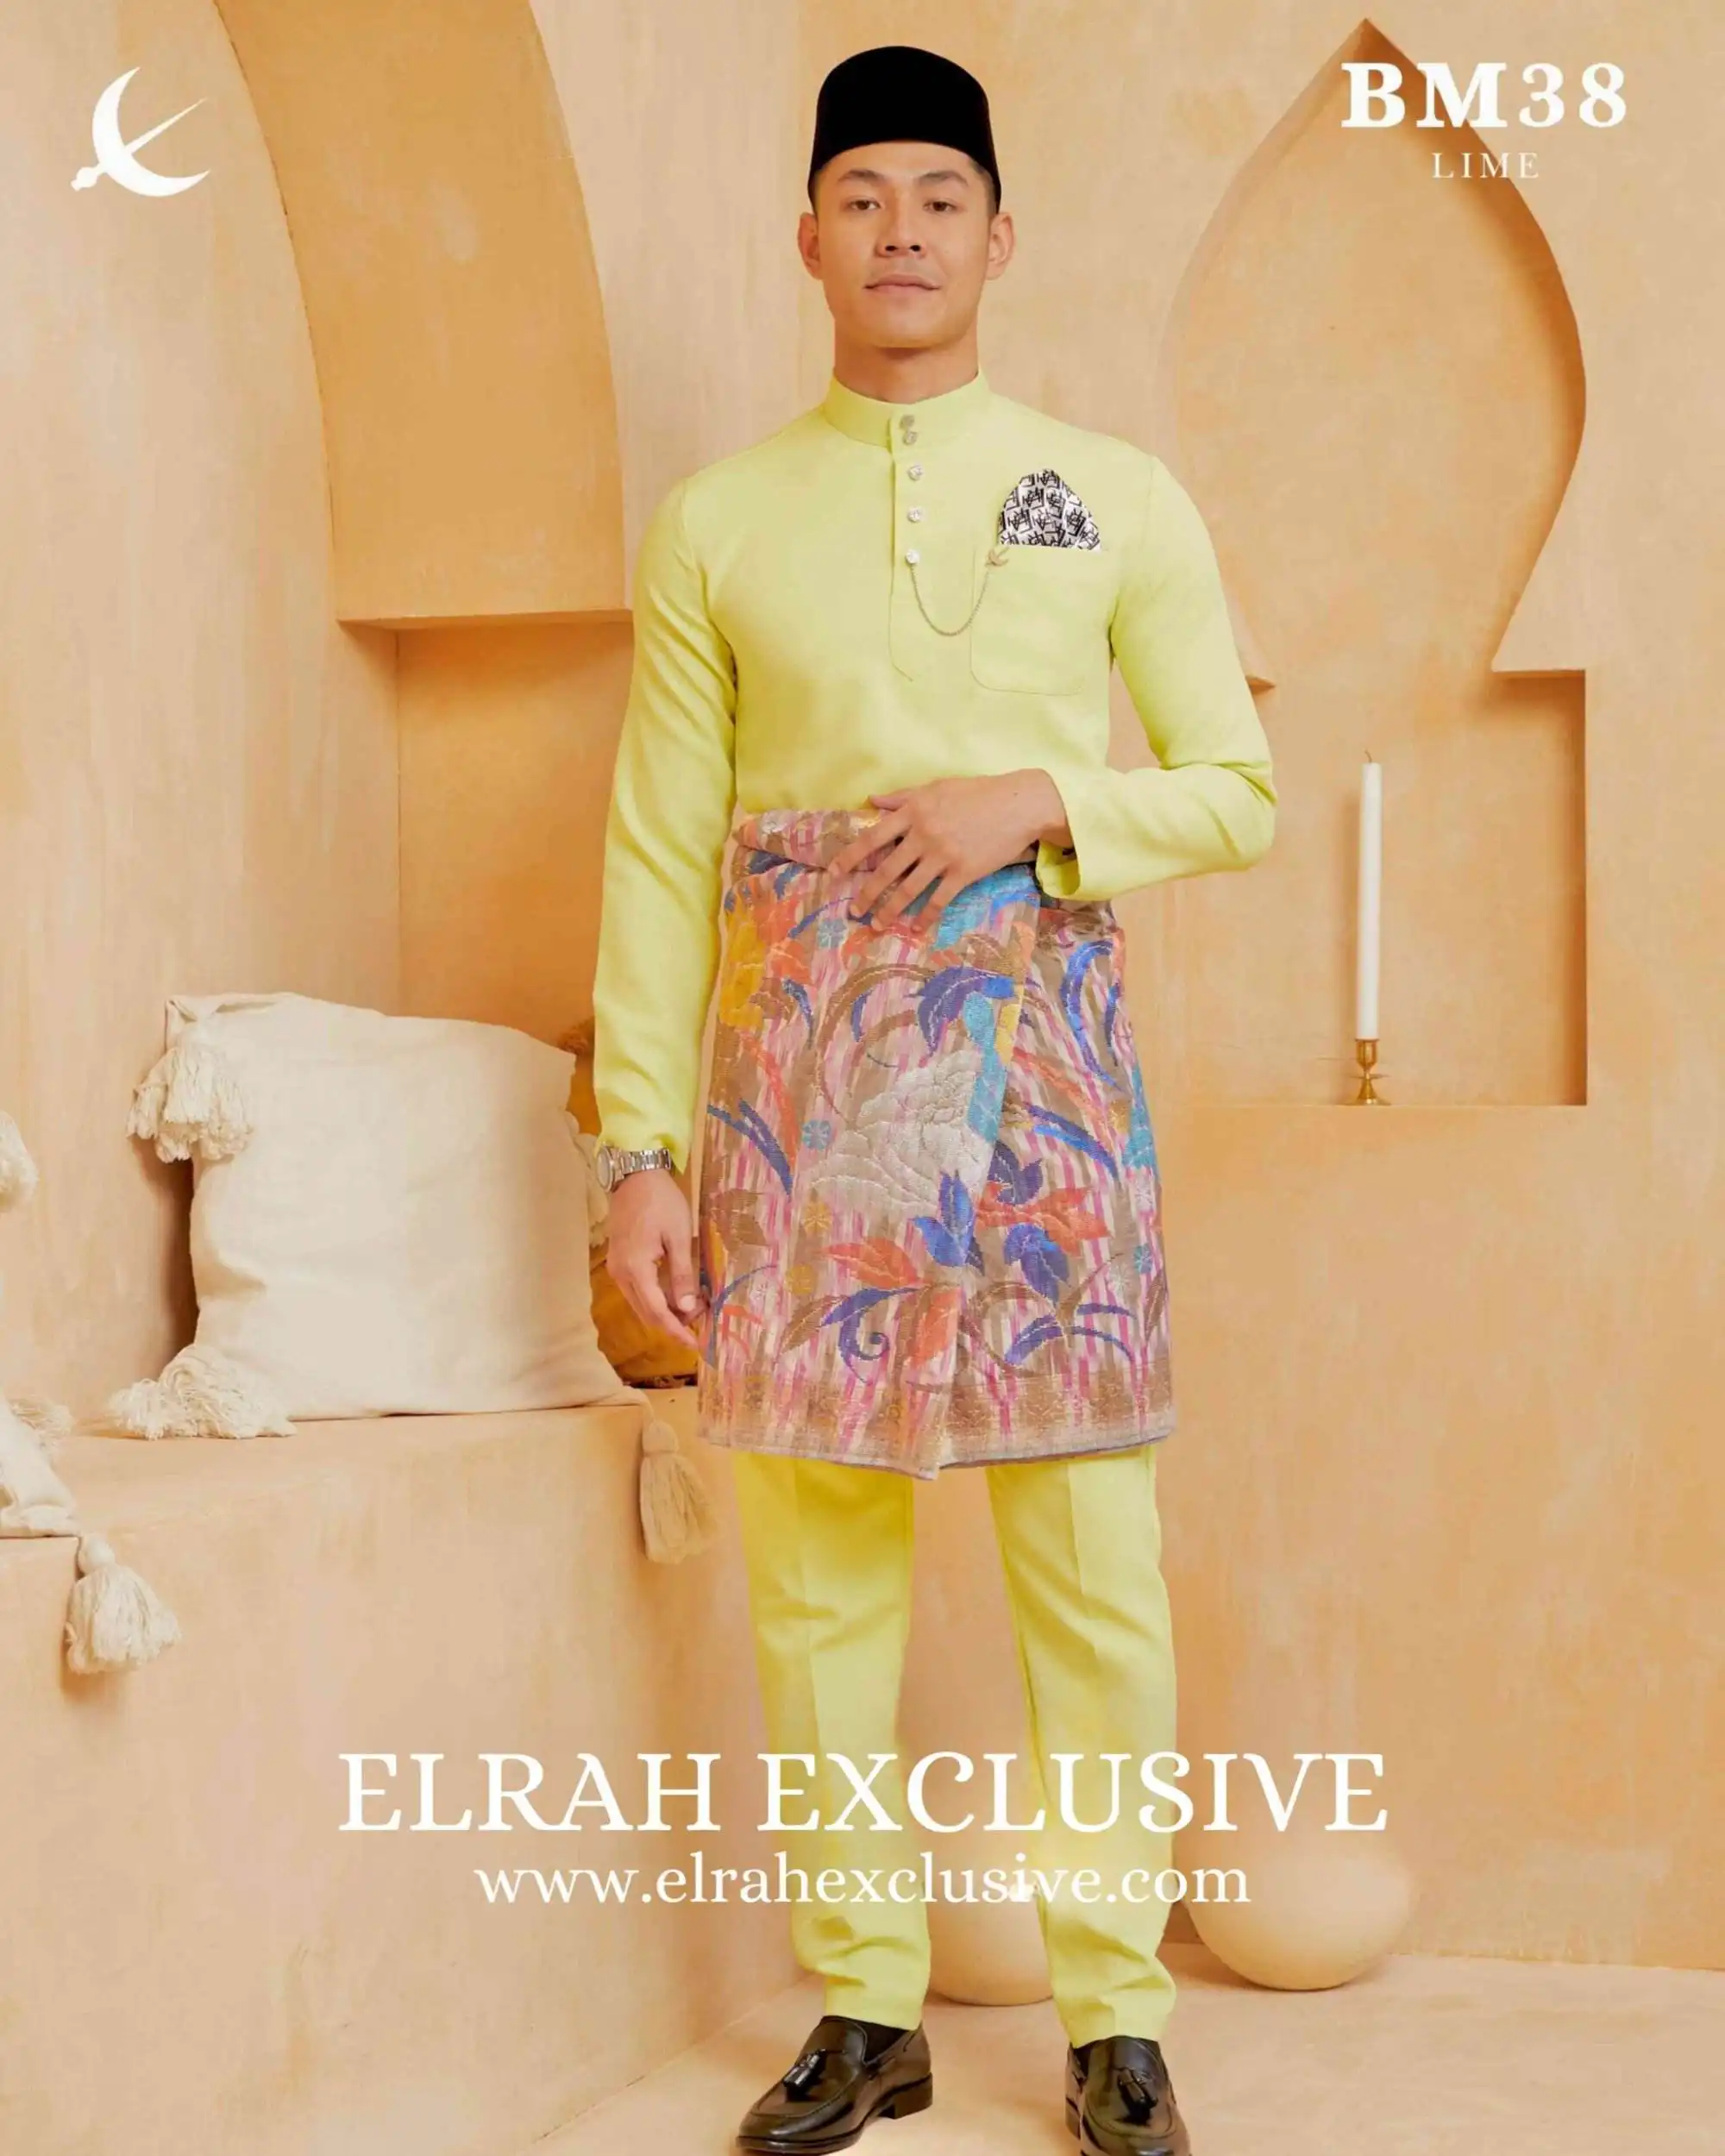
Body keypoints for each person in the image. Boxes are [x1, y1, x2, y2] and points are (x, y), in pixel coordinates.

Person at [589, 42, 1276, 2156]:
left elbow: (1233, 786)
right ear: (806, 238)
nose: (901, 230)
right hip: (796, 1091)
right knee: (815, 1577)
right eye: (862, 195)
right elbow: (657, 845)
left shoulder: (1111, 490)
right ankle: (864, 2004)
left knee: (1091, 1566)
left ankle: (1115, 2017)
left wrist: (1037, 797)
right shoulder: (717, 519)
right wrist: (638, 1149)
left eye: (939, 196)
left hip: (1044, 1085)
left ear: (1000, 237)